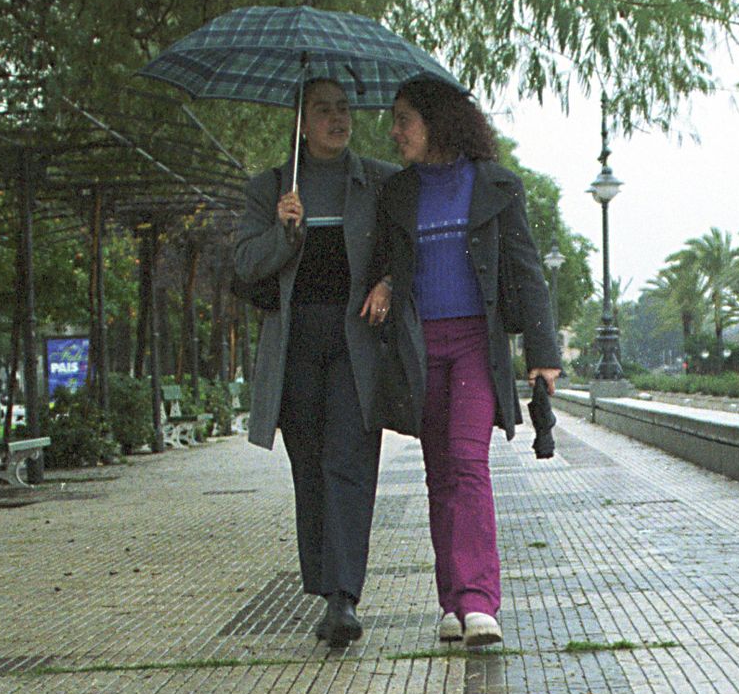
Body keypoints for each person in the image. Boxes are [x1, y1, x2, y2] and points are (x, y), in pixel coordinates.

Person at [361, 77, 561, 647]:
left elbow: (525, 267)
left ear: (438, 122)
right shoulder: (397, 192)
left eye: (404, 120)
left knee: (469, 462)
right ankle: (451, 600)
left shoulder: (496, 185)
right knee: (439, 473)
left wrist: (543, 354)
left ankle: (478, 601)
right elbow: (386, 258)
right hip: (420, 348)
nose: (395, 132)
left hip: (476, 344)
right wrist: (385, 280)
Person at [233, 79, 398, 647]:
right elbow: (246, 264)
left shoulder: (378, 181)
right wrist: (285, 232)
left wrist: (387, 281)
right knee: (310, 468)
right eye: (324, 110)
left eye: (344, 108)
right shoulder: (272, 188)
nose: (337, 119)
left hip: (356, 343)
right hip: (295, 346)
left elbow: (407, 249)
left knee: (350, 461)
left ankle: (344, 597)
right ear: (301, 122)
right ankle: (326, 585)